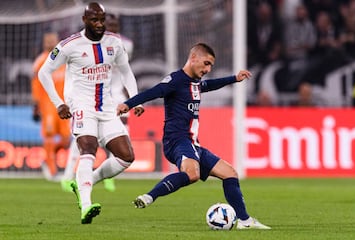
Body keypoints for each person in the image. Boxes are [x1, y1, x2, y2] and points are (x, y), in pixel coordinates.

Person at [117, 43, 271, 230]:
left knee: (230, 174)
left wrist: (234, 78)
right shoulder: (175, 80)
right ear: (194, 58)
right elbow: (154, 92)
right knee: (192, 174)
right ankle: (149, 196)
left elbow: (209, 85)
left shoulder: (195, 83)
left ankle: (245, 222)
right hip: (177, 141)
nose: (207, 69)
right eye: (206, 63)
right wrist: (128, 104)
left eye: (211, 66)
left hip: (192, 144)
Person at [38, 2, 144, 224]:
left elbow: (127, 73)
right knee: (88, 149)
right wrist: (59, 103)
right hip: (81, 106)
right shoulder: (70, 45)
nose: (100, 24)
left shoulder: (114, 43)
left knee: (126, 157)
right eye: (95, 20)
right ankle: (86, 205)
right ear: (85, 20)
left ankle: (86, 181)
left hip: (107, 107)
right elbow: (44, 73)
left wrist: (135, 100)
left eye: (102, 20)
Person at [60, 12, 135, 193]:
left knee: (119, 135)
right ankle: (68, 175)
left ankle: (106, 176)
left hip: (115, 95)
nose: (114, 30)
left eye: (116, 26)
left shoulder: (126, 45)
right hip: (88, 97)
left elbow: (123, 71)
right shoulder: (84, 45)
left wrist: (129, 93)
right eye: (111, 26)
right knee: (82, 139)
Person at [31, 32, 71, 180]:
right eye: (47, 41)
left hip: (64, 104)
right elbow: (35, 85)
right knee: (49, 136)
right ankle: (51, 169)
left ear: (57, 41)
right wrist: (36, 104)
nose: (49, 43)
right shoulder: (40, 61)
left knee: (66, 140)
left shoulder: (64, 59)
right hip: (47, 105)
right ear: (43, 43)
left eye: (52, 41)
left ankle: (48, 159)